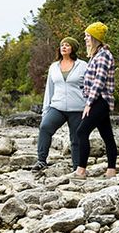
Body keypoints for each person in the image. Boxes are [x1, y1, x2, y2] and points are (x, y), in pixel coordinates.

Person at [32, 37, 87, 172]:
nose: (64, 47)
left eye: (67, 45)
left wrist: (88, 105)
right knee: (45, 127)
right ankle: (41, 161)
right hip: (57, 107)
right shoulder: (54, 67)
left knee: (76, 139)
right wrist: (46, 110)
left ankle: (77, 168)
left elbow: (89, 87)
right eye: (62, 45)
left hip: (78, 108)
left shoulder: (83, 66)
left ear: (73, 48)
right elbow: (49, 89)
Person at [73, 22, 117, 179]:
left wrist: (89, 103)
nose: (85, 39)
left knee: (81, 131)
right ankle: (111, 170)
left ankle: (81, 170)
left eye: (87, 36)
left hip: (100, 100)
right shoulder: (96, 56)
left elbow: (99, 81)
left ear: (95, 38)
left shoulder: (104, 56)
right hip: (99, 100)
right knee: (107, 135)